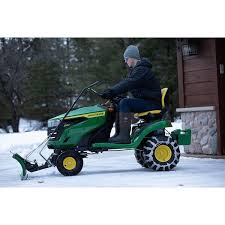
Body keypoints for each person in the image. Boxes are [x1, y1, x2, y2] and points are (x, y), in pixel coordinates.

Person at [101, 45, 162, 144]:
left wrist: (111, 91)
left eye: (126, 59)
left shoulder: (142, 70)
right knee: (120, 102)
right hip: (147, 101)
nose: (125, 61)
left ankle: (124, 136)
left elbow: (129, 83)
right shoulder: (137, 70)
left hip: (152, 103)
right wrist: (115, 96)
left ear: (132, 58)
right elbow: (129, 85)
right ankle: (118, 134)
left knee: (125, 103)